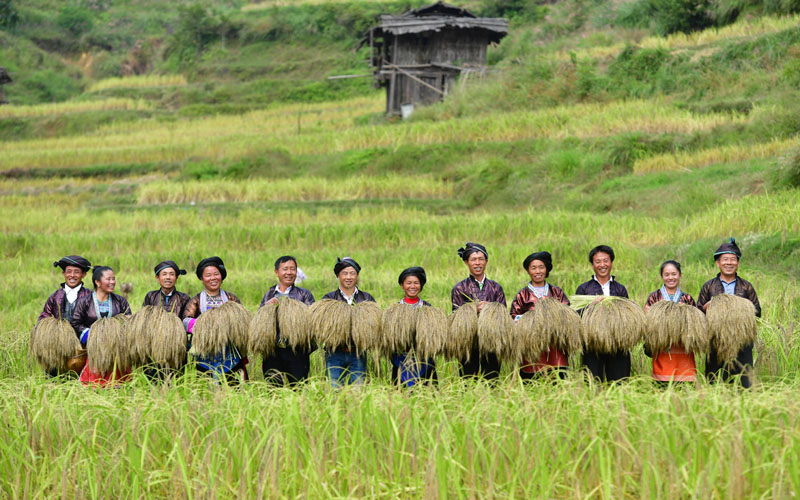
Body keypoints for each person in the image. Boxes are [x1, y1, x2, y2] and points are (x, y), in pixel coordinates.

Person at [696, 238, 761, 388]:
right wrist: (706, 307)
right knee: (716, 380)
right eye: (725, 259)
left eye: (733, 259)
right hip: (715, 340)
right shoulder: (708, 286)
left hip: (742, 341)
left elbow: (757, 311)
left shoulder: (746, 287)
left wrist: (739, 307)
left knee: (743, 381)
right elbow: (698, 312)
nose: (729, 263)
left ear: (738, 263)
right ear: (717, 263)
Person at [182, 257, 248, 384]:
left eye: (216, 274)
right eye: (208, 275)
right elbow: (185, 321)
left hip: (230, 355)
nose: (213, 278)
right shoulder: (196, 300)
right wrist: (207, 325)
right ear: (202, 279)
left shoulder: (231, 298)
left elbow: (242, 321)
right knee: (205, 390)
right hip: (204, 356)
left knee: (233, 389)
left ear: (221, 277)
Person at [509, 251, 571, 379]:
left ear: (546, 269)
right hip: (531, 349)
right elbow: (513, 317)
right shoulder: (523, 295)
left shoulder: (556, 292)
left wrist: (551, 307)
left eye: (541, 267)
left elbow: (568, 314)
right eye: (533, 268)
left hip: (555, 347)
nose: (538, 271)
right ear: (528, 271)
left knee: (557, 382)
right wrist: (532, 318)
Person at [450, 242, 506, 379]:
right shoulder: (459, 288)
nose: (477, 263)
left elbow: (504, 314)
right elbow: (456, 316)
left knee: (492, 378)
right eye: (473, 260)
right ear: (466, 262)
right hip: (468, 343)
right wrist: (473, 309)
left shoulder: (496, 288)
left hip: (492, 341)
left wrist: (490, 308)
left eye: (481, 259)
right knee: (468, 380)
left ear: (486, 261)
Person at [575, 245, 631, 381]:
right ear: (592, 265)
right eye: (598, 261)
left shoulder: (620, 289)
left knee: (619, 382)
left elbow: (629, 315)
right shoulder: (584, 289)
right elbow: (576, 316)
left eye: (606, 260)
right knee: (592, 382)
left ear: (611, 262)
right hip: (592, 344)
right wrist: (592, 307)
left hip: (617, 343)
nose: (602, 265)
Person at [69, 266, 132, 385]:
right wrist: (91, 335)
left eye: (114, 279)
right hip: (93, 350)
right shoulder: (84, 302)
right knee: (95, 382)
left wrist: (116, 334)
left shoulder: (120, 301)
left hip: (116, 350)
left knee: (119, 383)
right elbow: (75, 323)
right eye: (108, 279)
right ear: (97, 282)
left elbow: (128, 321)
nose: (112, 282)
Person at [258, 255, 315, 386]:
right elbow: (259, 321)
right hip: (272, 350)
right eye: (285, 269)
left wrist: (294, 310)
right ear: (277, 272)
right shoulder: (269, 294)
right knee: (273, 389)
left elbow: (312, 320)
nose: (289, 272)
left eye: (293, 269)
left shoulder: (304, 294)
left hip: (297, 351)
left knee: (299, 388)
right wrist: (267, 307)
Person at [322, 257, 376, 387]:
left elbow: (374, 325)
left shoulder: (367, 298)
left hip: (358, 353)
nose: (348, 277)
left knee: (357, 391)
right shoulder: (329, 298)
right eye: (345, 273)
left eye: (352, 273)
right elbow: (322, 326)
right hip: (334, 353)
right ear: (338, 276)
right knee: (334, 390)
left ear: (357, 276)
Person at [643, 260, 698, 384]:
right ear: (662, 276)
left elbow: (696, 324)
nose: (670, 278)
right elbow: (646, 321)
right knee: (663, 388)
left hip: (684, 352)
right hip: (662, 351)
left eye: (674, 274)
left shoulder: (687, 298)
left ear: (680, 275)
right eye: (666, 275)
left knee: (685, 388)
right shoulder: (654, 297)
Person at [391, 267, 437, 387]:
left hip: (425, 360)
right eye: (409, 283)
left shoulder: (428, 308)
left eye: (416, 283)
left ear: (421, 286)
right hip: (400, 360)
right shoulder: (394, 310)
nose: (413, 286)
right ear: (402, 285)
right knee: (401, 396)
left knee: (428, 396)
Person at [40, 255, 93, 323]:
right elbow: (44, 318)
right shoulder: (55, 297)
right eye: (69, 271)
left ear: (83, 274)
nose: (72, 275)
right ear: (64, 273)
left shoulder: (90, 296)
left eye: (76, 272)